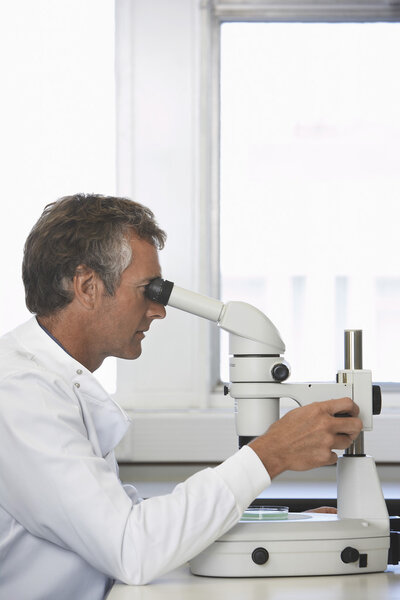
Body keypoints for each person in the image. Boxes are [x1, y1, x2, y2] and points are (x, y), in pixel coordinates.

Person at [0, 194, 362, 600]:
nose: (160, 310)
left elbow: (138, 521)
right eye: (148, 289)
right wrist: (270, 453)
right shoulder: (20, 395)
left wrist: (270, 525)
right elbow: (131, 547)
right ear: (87, 287)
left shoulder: (55, 381)